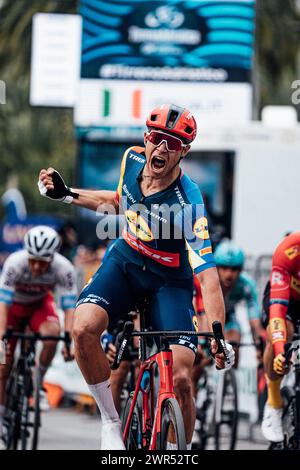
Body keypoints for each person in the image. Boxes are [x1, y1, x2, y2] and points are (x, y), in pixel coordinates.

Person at [38, 103, 234, 450]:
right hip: (126, 262)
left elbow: (207, 275)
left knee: (183, 378)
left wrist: (218, 334)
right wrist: (67, 194)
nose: (160, 148)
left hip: (169, 281)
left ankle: (179, 452)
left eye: (172, 143)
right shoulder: (132, 159)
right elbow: (117, 202)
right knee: (83, 329)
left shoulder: (189, 202)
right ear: (145, 137)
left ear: (184, 151)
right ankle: (111, 422)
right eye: (156, 138)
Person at [0, 226, 77, 447]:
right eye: (33, 260)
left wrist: (68, 338)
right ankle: (2, 418)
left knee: (52, 335)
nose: (36, 266)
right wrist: (1, 337)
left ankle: (37, 381)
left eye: (42, 262)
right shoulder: (15, 263)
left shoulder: (64, 268)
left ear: (52, 258)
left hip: (39, 307)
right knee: (2, 365)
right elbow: (3, 305)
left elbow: (69, 307)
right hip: (12, 308)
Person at [261, 232, 300, 445]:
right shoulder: (289, 249)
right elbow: (277, 311)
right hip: (287, 301)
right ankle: (274, 403)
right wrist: (278, 350)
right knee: (284, 330)